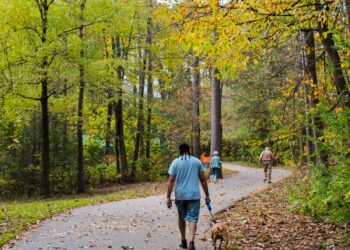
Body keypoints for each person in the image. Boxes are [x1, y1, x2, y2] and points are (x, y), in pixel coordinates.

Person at [167, 143, 210, 250]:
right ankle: (191, 242)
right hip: (194, 195)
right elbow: (203, 179)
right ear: (188, 150)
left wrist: (168, 196)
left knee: (181, 217)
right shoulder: (196, 161)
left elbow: (171, 180)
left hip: (180, 195)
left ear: (180, 151)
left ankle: (183, 241)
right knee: (193, 219)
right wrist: (207, 195)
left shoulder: (175, 162)